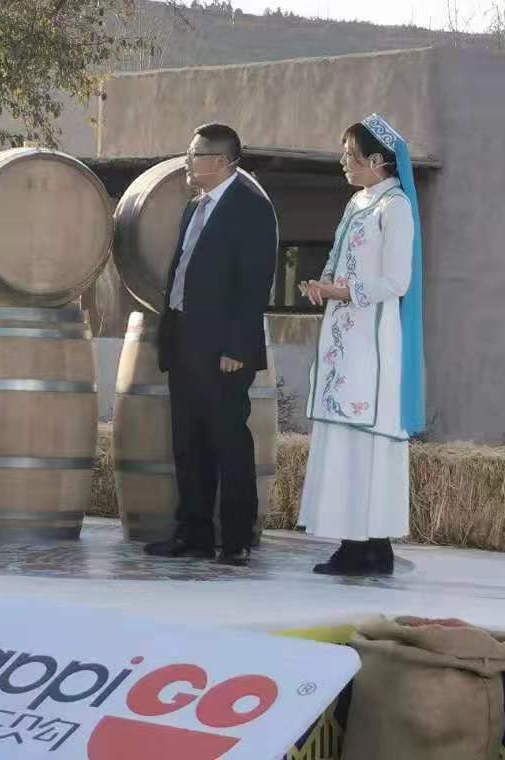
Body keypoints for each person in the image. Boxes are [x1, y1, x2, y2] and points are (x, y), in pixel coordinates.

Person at [298, 114, 425, 576]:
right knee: (344, 436)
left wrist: (341, 290)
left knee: (367, 436)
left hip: (373, 342)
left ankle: (368, 545)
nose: (343, 162)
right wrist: (323, 285)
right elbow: (338, 261)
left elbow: (396, 280)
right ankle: (360, 544)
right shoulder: (358, 203)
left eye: (350, 155)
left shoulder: (396, 207)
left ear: (376, 160)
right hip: (344, 339)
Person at [146, 123, 278, 567]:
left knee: (228, 441)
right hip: (184, 338)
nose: (187, 161)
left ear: (221, 162)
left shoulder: (251, 209)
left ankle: (237, 538)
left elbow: (253, 284)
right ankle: (194, 534)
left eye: (194, 155)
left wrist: (237, 348)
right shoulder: (194, 208)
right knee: (188, 441)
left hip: (224, 349)